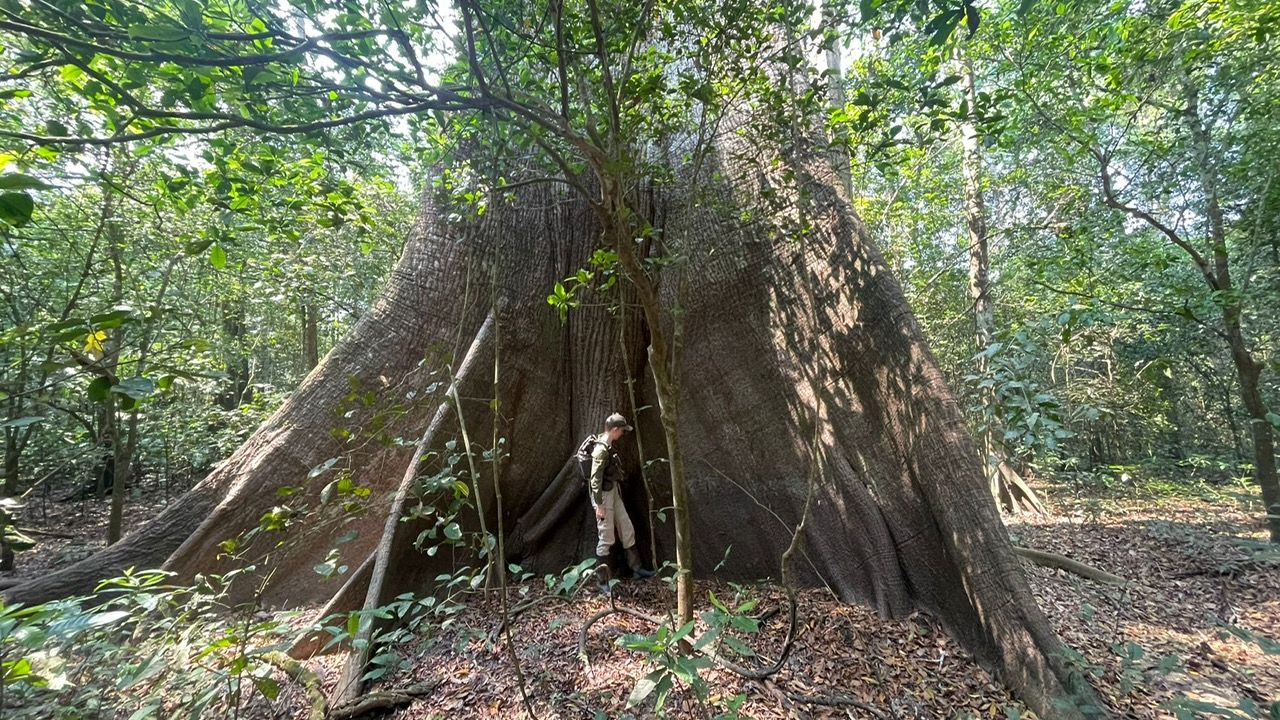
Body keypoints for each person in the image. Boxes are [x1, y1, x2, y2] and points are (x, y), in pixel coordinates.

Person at [584, 412, 655, 592]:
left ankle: (637, 569)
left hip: (612, 492)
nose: (622, 434)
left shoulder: (607, 444)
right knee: (606, 537)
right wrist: (599, 505)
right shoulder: (600, 450)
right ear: (614, 430)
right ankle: (602, 582)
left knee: (627, 528)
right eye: (621, 430)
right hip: (603, 496)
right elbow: (594, 479)